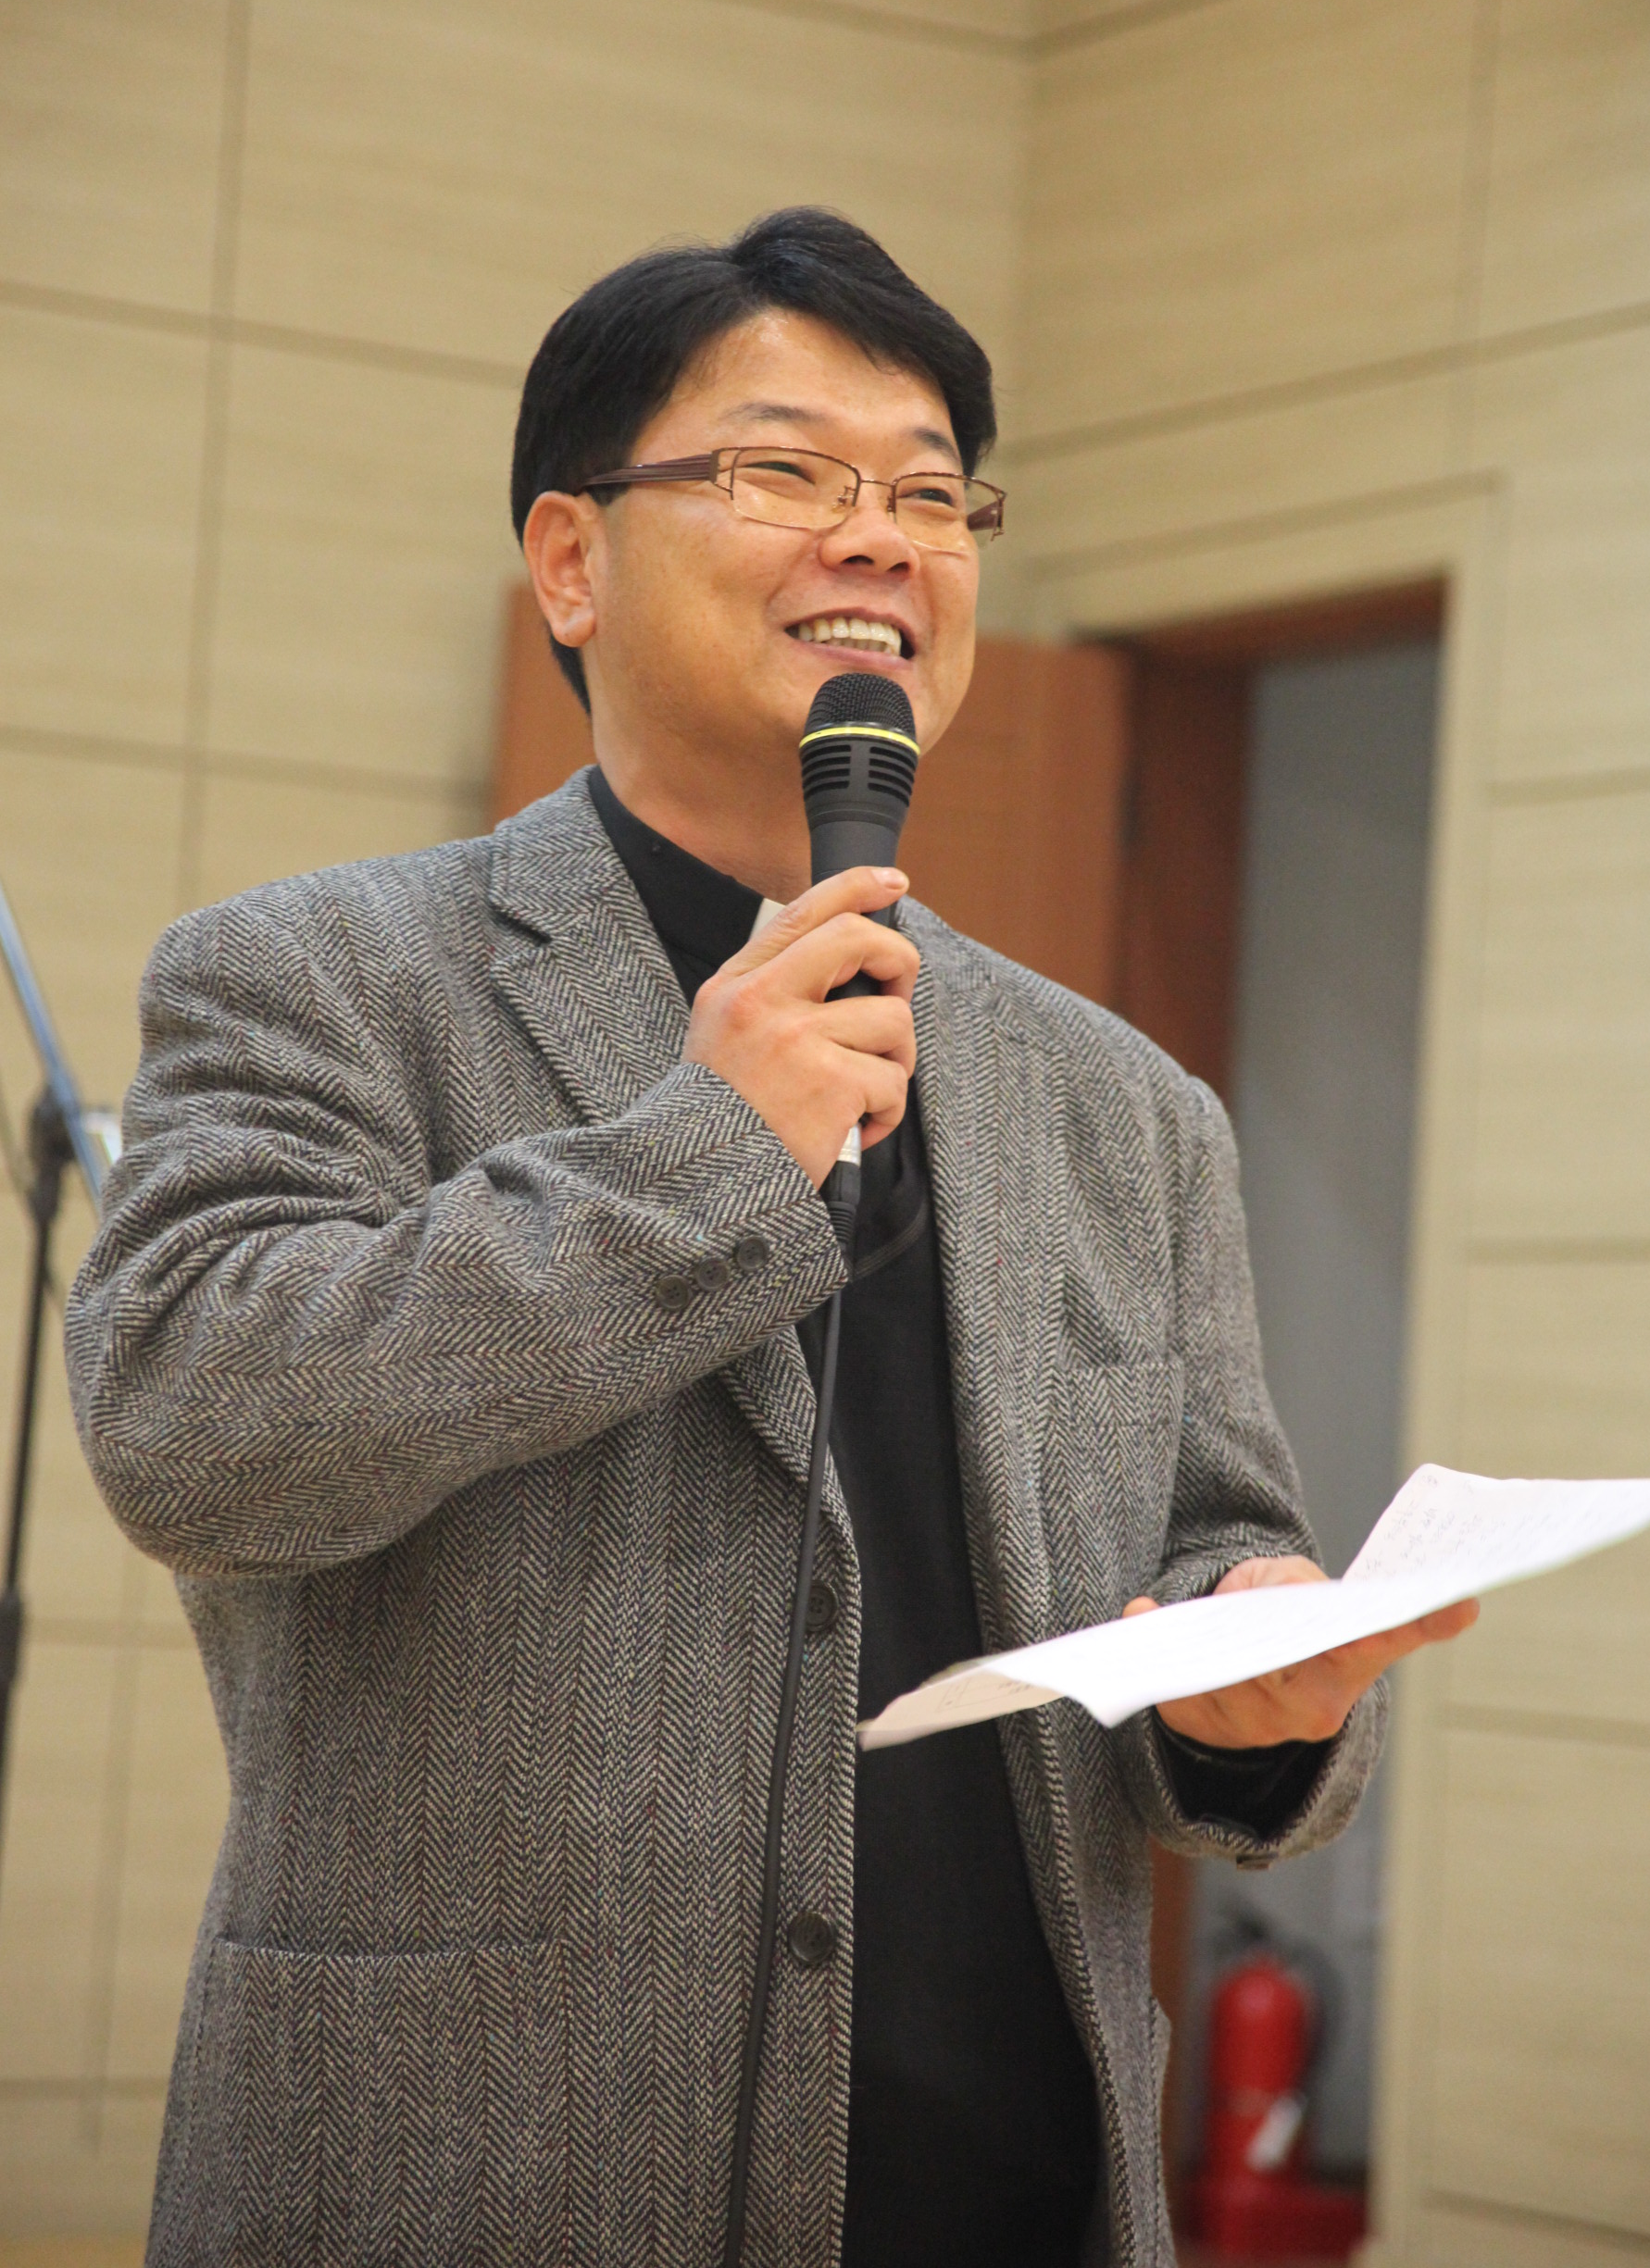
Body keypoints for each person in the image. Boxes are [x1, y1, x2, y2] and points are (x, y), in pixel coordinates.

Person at [67, 207, 1476, 2268]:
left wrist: (1249, 1683)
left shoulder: (1126, 1106)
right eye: (784, 472)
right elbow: (190, 1429)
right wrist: (705, 1156)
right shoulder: (320, 978)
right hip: (485, 2179)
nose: (878, 541)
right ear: (571, 560)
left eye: (931, 494)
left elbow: (1207, 1547)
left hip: (1012, 2197)